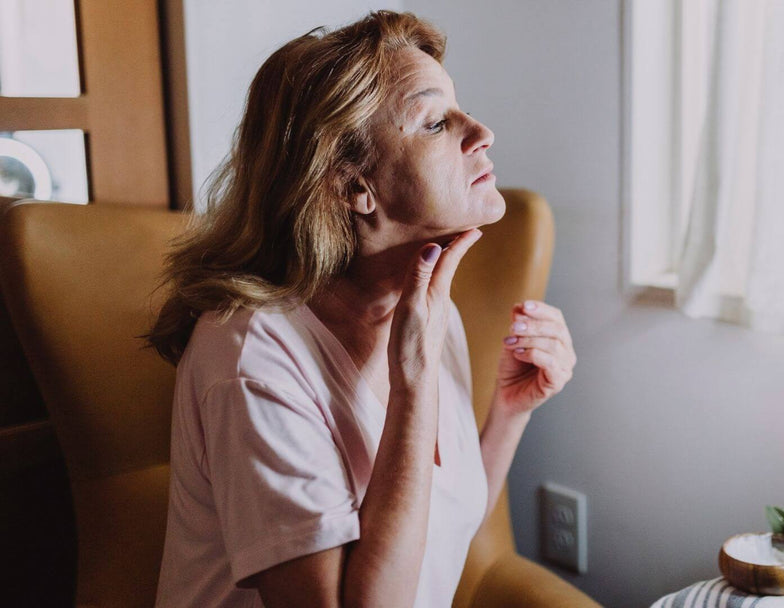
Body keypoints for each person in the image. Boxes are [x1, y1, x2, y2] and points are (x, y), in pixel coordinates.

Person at [146, 10, 576, 607]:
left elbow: (437, 533)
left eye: (461, 108)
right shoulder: (250, 359)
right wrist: (414, 380)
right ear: (352, 186)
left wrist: (510, 412)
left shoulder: (425, 308)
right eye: (434, 123)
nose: (481, 131)